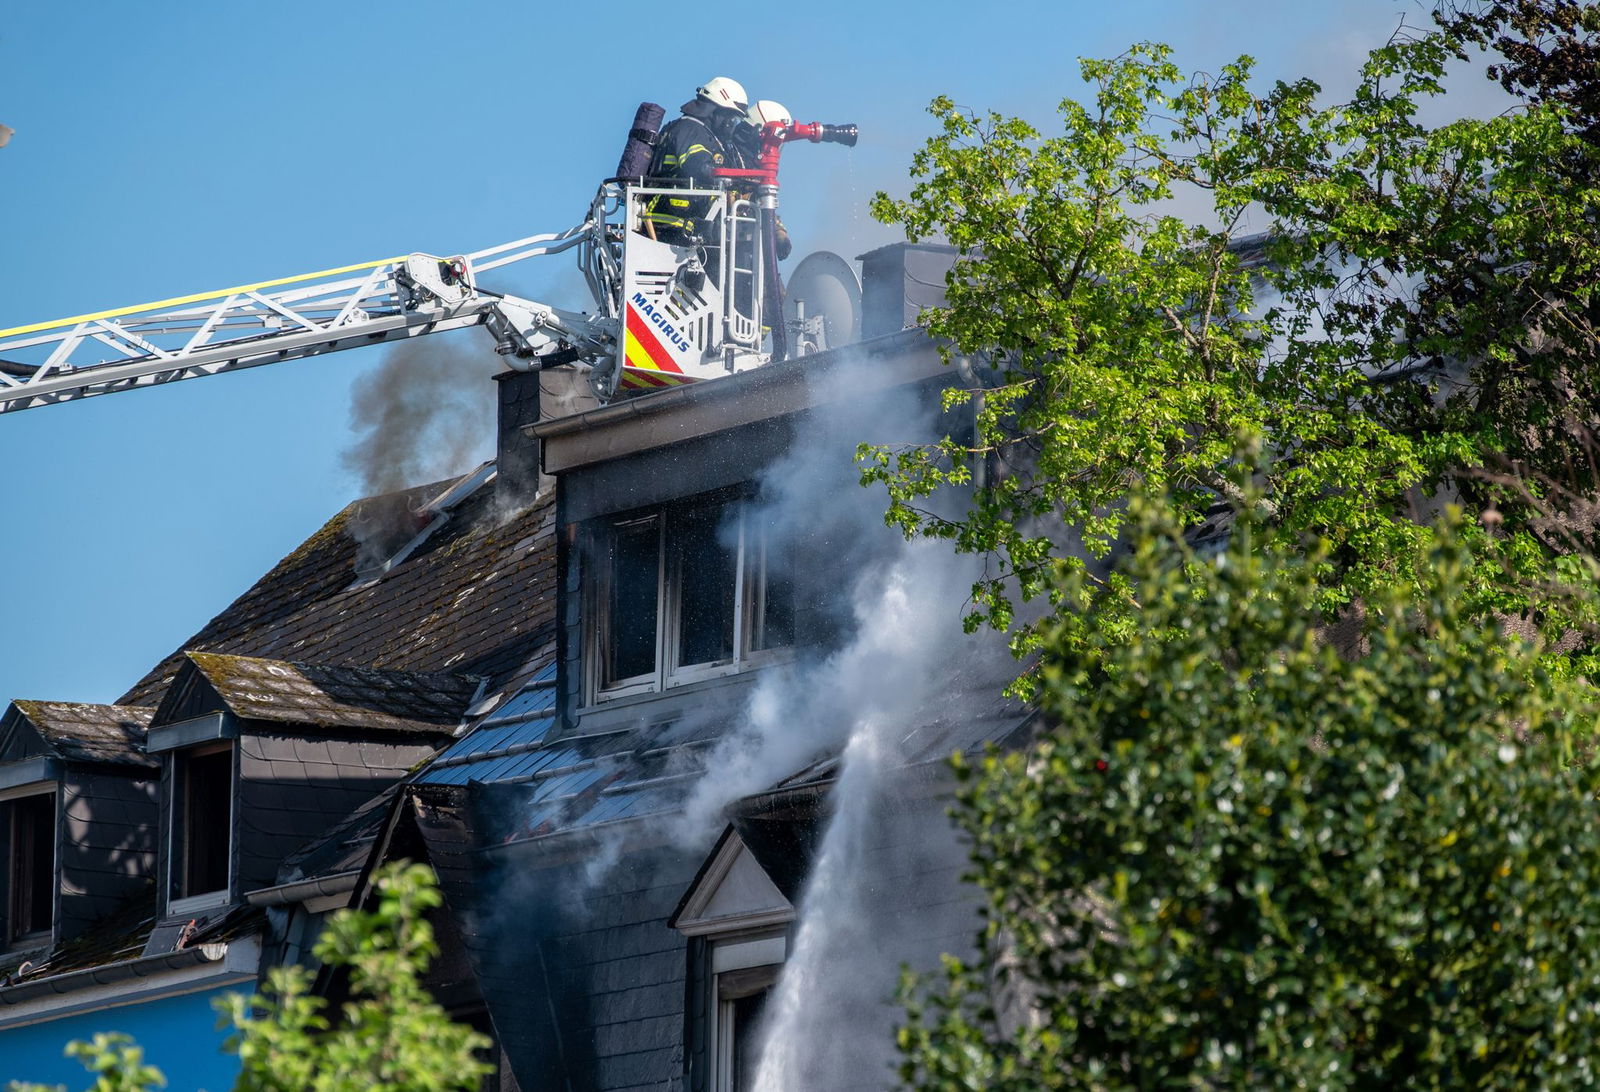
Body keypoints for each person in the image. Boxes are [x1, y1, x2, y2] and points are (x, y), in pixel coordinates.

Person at [644, 77, 751, 246]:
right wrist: (721, 175)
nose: (731, 124)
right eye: (730, 117)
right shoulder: (689, 128)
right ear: (716, 111)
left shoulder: (707, 134)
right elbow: (697, 164)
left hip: (686, 227)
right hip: (669, 225)